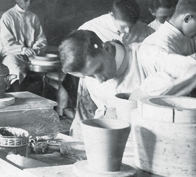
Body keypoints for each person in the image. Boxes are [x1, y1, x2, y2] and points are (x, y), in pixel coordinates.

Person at [59, 29, 196, 137]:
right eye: (90, 76)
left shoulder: (145, 54)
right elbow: (103, 110)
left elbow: (190, 67)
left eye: (99, 69)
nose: (99, 80)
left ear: (106, 48)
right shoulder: (92, 79)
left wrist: (144, 93)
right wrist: (105, 116)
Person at [0, 0, 47, 91]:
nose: (29, 3)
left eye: (31, 0)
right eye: (26, 0)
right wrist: (23, 50)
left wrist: (35, 49)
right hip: (13, 55)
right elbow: (7, 43)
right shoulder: (7, 17)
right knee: (16, 70)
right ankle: (19, 94)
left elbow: (41, 39)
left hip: (31, 57)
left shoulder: (33, 17)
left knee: (44, 75)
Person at [79, 0, 154, 45]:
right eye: (123, 26)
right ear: (111, 15)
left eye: (132, 26)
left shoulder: (144, 29)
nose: (128, 31)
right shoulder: (89, 29)